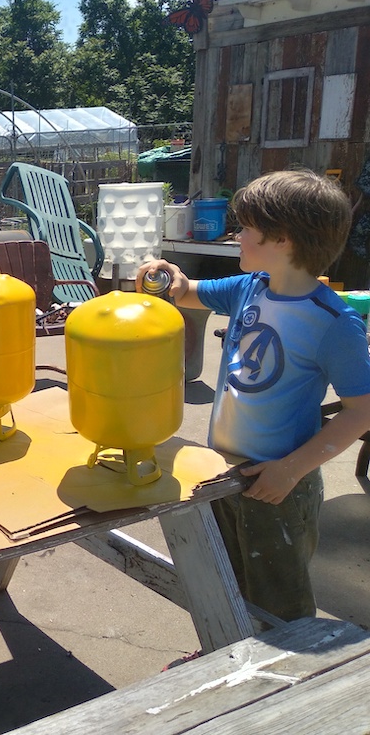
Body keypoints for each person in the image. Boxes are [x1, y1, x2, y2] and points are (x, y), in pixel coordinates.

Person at [138, 168, 370, 622]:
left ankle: (283, 682)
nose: (237, 236)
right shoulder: (250, 287)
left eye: (246, 229)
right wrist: (164, 277)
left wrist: (290, 470)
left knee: (279, 599)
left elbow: (361, 411)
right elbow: (185, 292)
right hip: (223, 468)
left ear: (282, 239)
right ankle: (226, 655)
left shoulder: (333, 322)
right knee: (225, 577)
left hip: (279, 485)